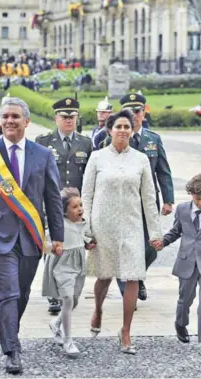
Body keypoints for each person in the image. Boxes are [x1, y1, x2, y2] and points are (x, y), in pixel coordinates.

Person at [0, 97, 64, 374]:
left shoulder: (43, 155)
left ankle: (10, 333)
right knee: (7, 293)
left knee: (20, 295)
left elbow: (53, 198)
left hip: (31, 236)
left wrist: (57, 236)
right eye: (5, 116)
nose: (10, 121)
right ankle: (12, 349)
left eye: (15, 117)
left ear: (26, 121)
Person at [81, 109, 162, 355]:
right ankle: (98, 309)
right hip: (103, 224)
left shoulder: (141, 159)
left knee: (133, 276)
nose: (124, 131)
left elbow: (149, 197)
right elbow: (87, 194)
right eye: (119, 127)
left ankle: (126, 331)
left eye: (128, 127)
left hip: (131, 225)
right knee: (104, 276)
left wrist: (155, 232)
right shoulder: (97, 158)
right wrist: (87, 229)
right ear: (110, 130)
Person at [36, 97, 92, 314]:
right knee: (53, 249)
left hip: (75, 207)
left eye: (72, 116)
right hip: (51, 203)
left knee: (73, 247)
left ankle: (68, 290)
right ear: (55, 118)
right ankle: (53, 294)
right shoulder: (43, 141)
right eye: (64, 116)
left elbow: (88, 175)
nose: (69, 120)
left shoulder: (85, 143)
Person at [116, 93, 174, 301]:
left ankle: (137, 277)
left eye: (138, 111)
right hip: (122, 201)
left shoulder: (153, 139)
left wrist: (168, 199)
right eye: (129, 113)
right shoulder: (114, 138)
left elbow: (163, 171)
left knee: (151, 247)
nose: (134, 116)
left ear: (143, 112)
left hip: (148, 202)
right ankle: (126, 287)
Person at [42, 187, 95, 356]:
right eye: (74, 207)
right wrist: (53, 248)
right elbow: (43, 244)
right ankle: (68, 341)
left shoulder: (83, 222)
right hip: (62, 265)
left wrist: (88, 244)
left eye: (80, 205)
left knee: (74, 301)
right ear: (64, 211)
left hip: (78, 266)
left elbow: (82, 237)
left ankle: (56, 323)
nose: (80, 209)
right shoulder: (58, 226)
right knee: (68, 299)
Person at [158, 173, 201, 344]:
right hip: (187, 261)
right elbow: (176, 231)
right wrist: (162, 242)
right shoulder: (183, 209)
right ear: (191, 195)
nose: (200, 203)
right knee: (185, 299)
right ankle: (180, 323)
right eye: (197, 199)